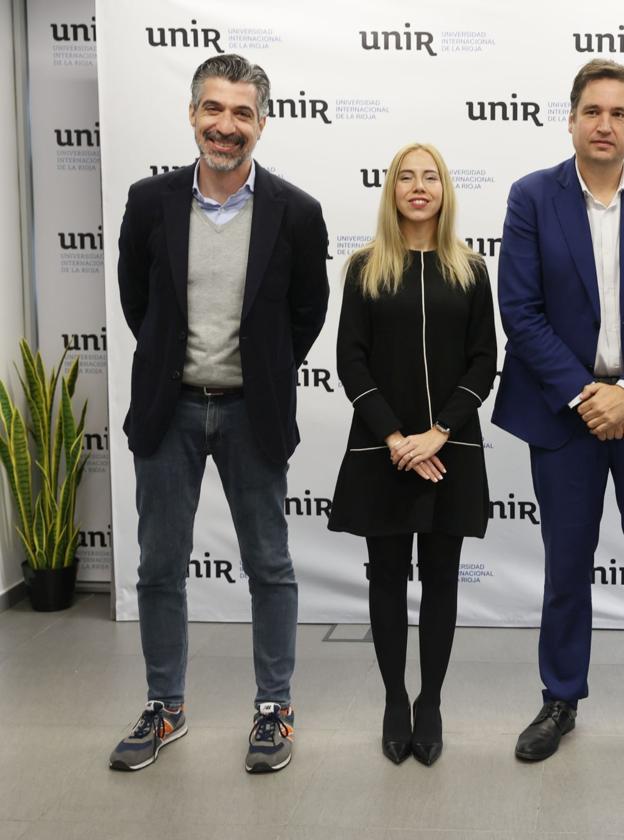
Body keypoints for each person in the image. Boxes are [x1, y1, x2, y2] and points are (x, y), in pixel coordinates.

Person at [110, 54, 329, 773]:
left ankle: (274, 709)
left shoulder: (297, 212)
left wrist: (258, 373)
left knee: (270, 566)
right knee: (159, 567)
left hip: (251, 414)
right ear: (193, 115)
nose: (225, 126)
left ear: (261, 124)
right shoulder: (151, 202)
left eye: (241, 113)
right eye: (213, 109)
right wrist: (180, 365)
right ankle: (164, 706)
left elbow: (306, 315)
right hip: (167, 412)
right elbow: (139, 303)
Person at [491, 59, 624, 771]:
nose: (604, 125)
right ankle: (560, 698)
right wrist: (588, 396)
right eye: (592, 111)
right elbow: (519, 312)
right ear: (572, 118)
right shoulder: (531, 197)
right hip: (565, 413)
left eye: (618, 113)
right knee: (566, 565)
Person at [328, 143, 496, 767]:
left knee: (444, 579)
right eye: (407, 176)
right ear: (392, 189)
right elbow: (350, 359)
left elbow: (485, 359)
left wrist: (440, 433)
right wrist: (398, 438)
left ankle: (431, 703)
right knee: (387, 578)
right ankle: (395, 700)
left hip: (449, 450)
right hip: (384, 449)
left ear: (445, 190)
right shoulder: (365, 268)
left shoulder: (471, 269)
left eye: (430, 177)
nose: (419, 187)